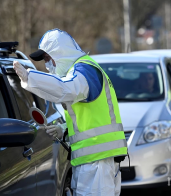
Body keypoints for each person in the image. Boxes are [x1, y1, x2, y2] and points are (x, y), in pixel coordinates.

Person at [13, 28, 127, 196]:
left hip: (97, 164)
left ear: (60, 53)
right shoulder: (84, 70)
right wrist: (65, 129)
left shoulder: (84, 70)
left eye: (47, 58)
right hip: (96, 161)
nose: (47, 64)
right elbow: (90, 117)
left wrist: (31, 78)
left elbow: (66, 89)